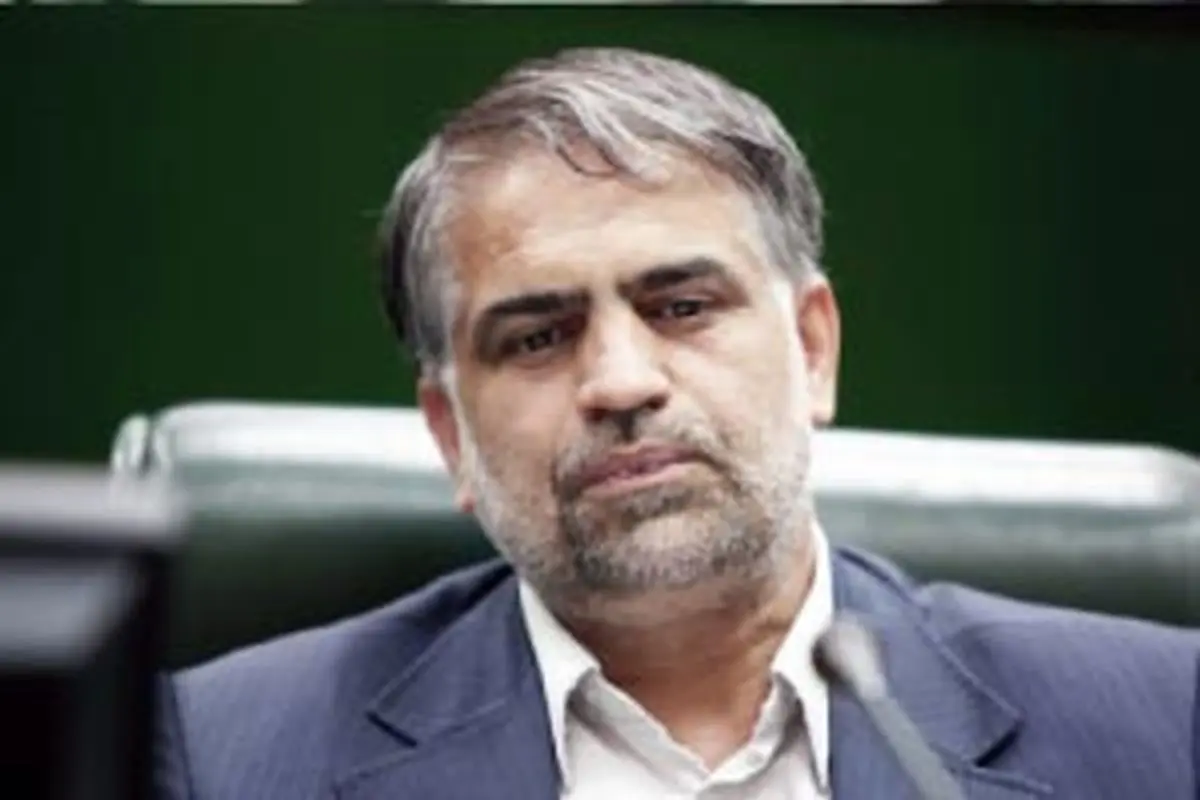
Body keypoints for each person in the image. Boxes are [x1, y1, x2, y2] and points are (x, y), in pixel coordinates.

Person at [155, 47, 1198, 800]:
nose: (620, 382)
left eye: (683, 307)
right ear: (449, 433)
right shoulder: (216, 757)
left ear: (813, 349)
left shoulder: (1164, 721)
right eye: (537, 337)